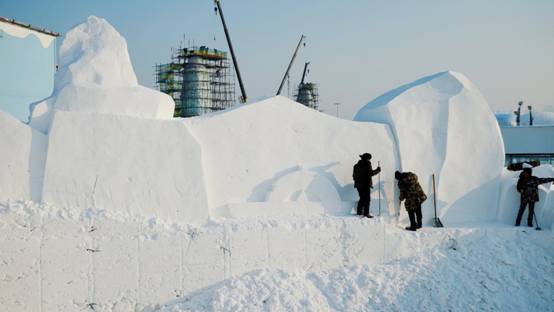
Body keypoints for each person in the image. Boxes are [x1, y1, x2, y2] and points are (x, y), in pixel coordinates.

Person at [352, 153, 381, 218]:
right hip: (366, 185)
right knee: (367, 199)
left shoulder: (356, 166)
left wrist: (357, 181)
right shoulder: (367, 164)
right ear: (367, 159)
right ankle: (366, 213)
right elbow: (371, 173)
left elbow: (354, 176)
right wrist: (378, 170)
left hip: (358, 185)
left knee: (362, 198)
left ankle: (359, 212)